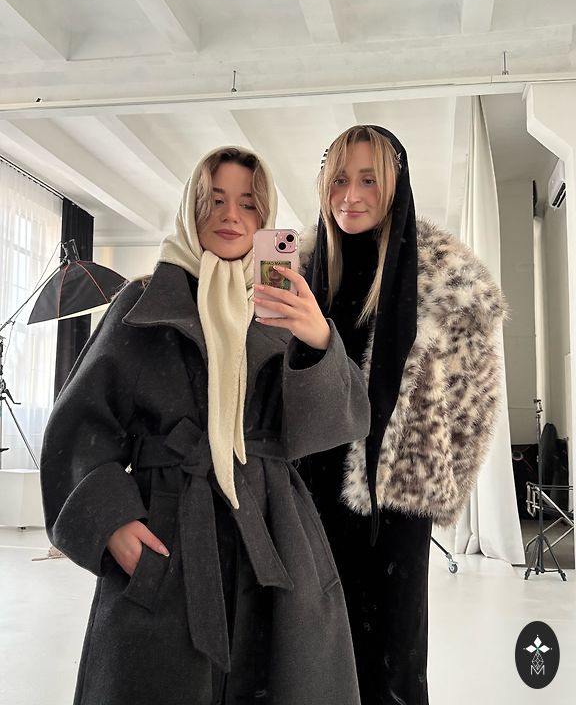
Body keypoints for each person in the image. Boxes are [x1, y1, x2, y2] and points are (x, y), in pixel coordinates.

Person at [41, 146, 371, 705]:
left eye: (248, 203)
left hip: (273, 528)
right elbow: (78, 427)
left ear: (266, 218)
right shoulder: (142, 303)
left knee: (281, 676)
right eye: (214, 200)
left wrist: (318, 342)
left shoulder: (284, 308)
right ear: (190, 208)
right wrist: (111, 522)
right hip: (169, 527)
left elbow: (331, 429)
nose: (231, 215)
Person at [301, 125, 506, 705]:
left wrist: (430, 478)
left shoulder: (443, 276)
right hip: (308, 494)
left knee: (392, 662)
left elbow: (473, 400)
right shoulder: (305, 266)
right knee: (314, 657)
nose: (351, 196)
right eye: (339, 180)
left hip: (392, 502)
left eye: (369, 180)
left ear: (395, 185)